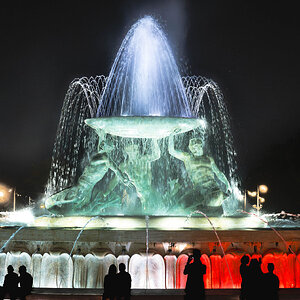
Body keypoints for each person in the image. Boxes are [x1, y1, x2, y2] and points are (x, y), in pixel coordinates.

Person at [168, 135, 231, 211]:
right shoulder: (188, 157)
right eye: (191, 148)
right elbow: (171, 151)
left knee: (212, 205)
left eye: (195, 146)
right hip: (198, 190)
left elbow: (218, 173)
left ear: (201, 146)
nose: (193, 149)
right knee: (178, 207)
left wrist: (227, 183)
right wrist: (171, 135)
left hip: (212, 189)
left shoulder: (209, 159)